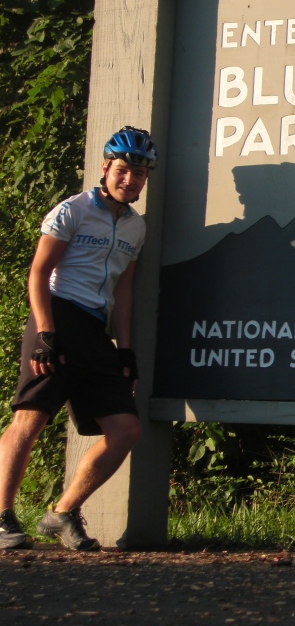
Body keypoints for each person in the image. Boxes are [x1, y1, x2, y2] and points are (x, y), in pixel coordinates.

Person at [0, 126, 157, 550]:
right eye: (123, 170)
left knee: (125, 429)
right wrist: (45, 334)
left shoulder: (136, 228)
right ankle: (2, 517)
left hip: (95, 330)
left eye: (140, 174)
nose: (130, 180)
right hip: (56, 316)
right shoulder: (72, 210)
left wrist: (126, 350)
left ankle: (62, 513)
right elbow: (38, 273)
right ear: (105, 168)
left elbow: (124, 292)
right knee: (30, 418)